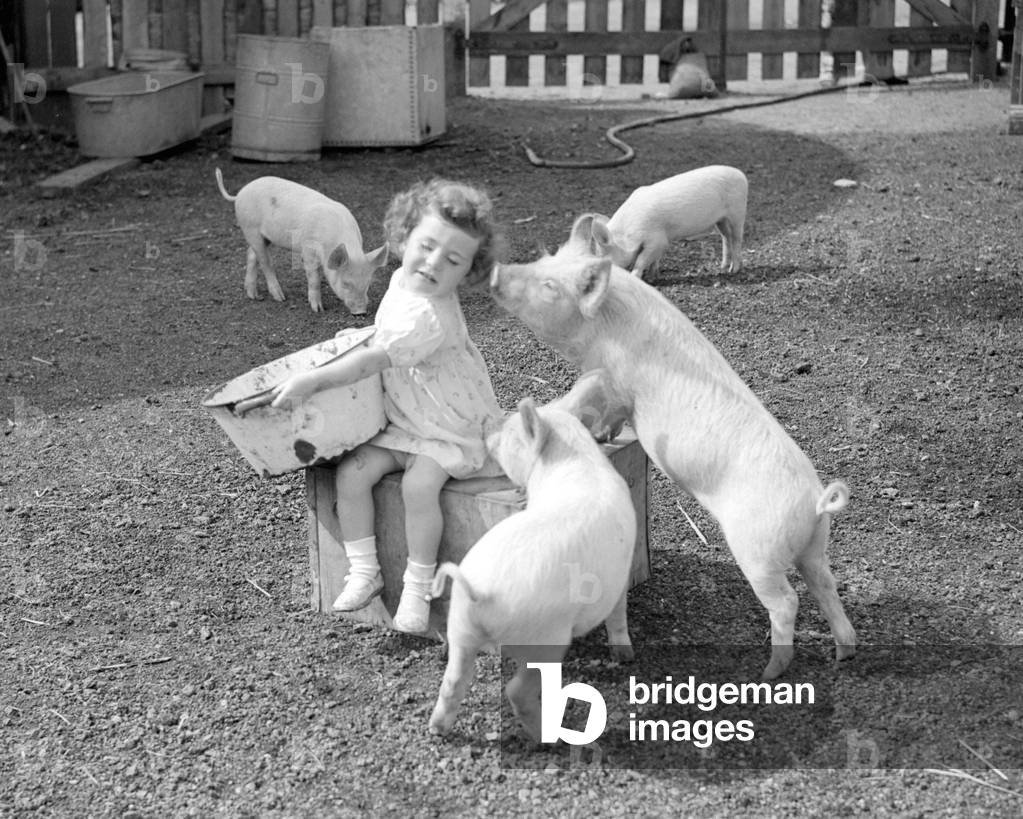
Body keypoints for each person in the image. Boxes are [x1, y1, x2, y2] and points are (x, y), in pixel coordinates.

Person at [270, 179, 504, 633]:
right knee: (352, 471)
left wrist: (316, 377)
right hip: (404, 415)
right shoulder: (401, 281)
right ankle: (364, 568)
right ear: (403, 239)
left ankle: (418, 586)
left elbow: (377, 359)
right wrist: (359, 339)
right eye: (427, 246)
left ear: (467, 274)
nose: (434, 263)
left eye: (452, 260)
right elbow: (382, 337)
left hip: (445, 422)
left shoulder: (429, 314)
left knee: (419, 487)